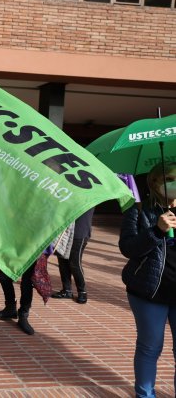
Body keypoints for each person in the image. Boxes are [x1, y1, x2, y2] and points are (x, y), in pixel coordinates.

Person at [119, 162, 176, 398]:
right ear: (155, 183)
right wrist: (157, 230)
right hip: (149, 292)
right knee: (150, 347)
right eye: (170, 178)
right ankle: (145, 394)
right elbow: (128, 247)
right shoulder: (139, 209)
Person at [0, 244, 53, 335]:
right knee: (4, 276)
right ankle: (10, 308)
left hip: (34, 244)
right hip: (14, 242)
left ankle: (23, 315)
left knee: (27, 282)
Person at [51, 208, 95, 304]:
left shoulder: (90, 194)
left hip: (80, 232)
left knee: (74, 263)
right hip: (65, 232)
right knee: (62, 260)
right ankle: (67, 290)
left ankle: (82, 291)